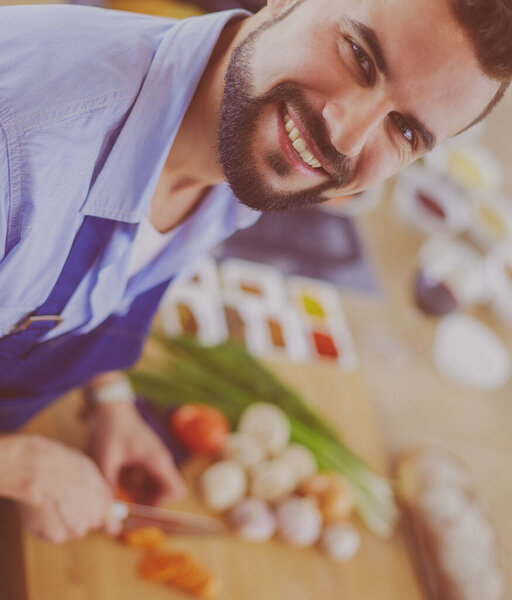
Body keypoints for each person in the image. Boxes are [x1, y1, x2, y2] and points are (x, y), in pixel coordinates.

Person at [0, 0, 510, 543]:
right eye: (359, 56)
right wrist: (23, 468)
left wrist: (109, 398)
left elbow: (105, 275)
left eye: (405, 131)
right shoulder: (25, 147)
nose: (345, 137)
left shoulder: (248, 141)